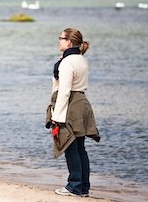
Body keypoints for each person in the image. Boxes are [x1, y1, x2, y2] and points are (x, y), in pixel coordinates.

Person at [45, 27, 100, 197]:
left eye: (60, 38)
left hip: (71, 105)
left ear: (68, 42)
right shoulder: (80, 59)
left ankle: (74, 186)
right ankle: (83, 188)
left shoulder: (67, 62)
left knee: (69, 147)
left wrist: (57, 116)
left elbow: (64, 90)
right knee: (80, 148)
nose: (58, 41)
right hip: (81, 103)